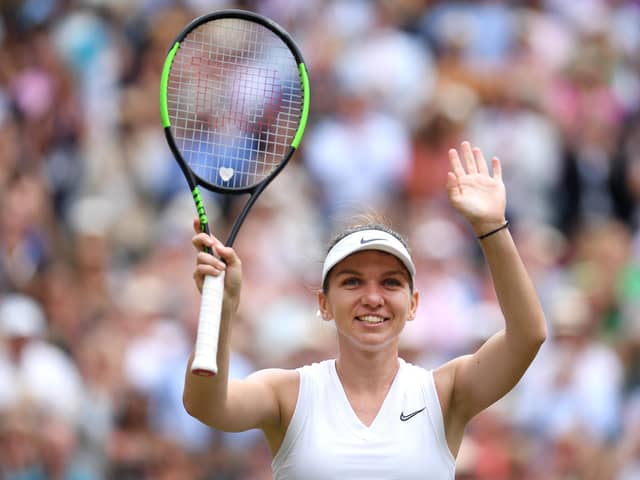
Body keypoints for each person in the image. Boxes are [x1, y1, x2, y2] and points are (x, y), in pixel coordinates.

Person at [183, 141, 547, 479]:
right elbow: (207, 406)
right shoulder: (288, 393)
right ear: (324, 304)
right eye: (352, 282)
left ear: (413, 304)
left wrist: (491, 227)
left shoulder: (444, 393)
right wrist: (223, 306)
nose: (372, 297)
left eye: (390, 282)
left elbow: (528, 335)